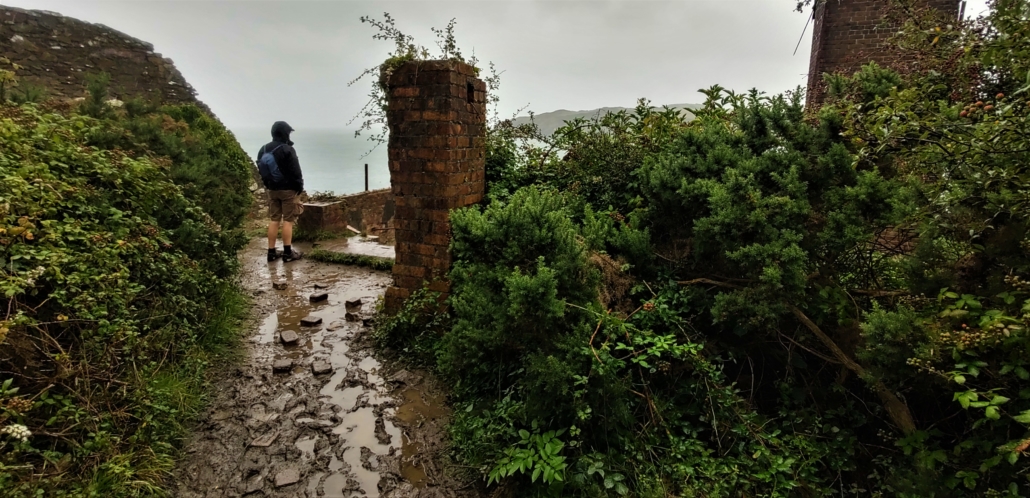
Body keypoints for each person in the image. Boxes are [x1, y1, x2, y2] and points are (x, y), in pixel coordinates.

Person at [258, 121, 305, 262]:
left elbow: (261, 170)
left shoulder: (264, 149)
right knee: (288, 221)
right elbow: (296, 172)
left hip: (272, 190)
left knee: (274, 220)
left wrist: (269, 185)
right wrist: (299, 188)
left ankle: (271, 253)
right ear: (285, 133)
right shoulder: (287, 149)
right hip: (287, 191)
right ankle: (288, 253)